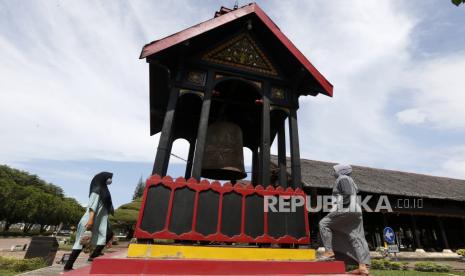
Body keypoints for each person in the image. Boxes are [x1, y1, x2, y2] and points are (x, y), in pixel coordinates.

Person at [318, 164, 371, 275]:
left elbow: (346, 193)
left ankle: (329, 252)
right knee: (356, 236)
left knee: (324, 224)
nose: (334, 173)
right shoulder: (351, 180)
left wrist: (341, 206)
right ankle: (363, 266)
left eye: (335, 170)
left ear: (341, 171)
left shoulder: (342, 178)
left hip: (346, 209)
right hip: (356, 211)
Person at [64, 172, 114, 271]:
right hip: (90, 220)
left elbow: (105, 209)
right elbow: (92, 207)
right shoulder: (96, 191)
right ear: (103, 178)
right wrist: (90, 221)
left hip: (99, 222)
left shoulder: (104, 191)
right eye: (109, 178)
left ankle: (94, 255)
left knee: (108, 234)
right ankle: (68, 266)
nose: (110, 180)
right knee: (80, 243)